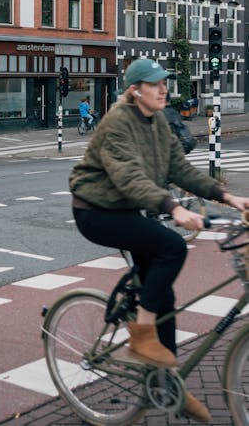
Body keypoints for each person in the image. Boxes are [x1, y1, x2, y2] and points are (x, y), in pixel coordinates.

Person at [69, 58, 249, 424]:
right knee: (173, 246)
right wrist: (172, 207)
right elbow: (129, 176)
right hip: (96, 209)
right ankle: (142, 333)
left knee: (164, 296)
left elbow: (178, 168)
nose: (163, 89)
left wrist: (228, 197)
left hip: (127, 206)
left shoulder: (159, 122)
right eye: (154, 84)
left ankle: (169, 388)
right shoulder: (117, 122)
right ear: (135, 90)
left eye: (164, 82)